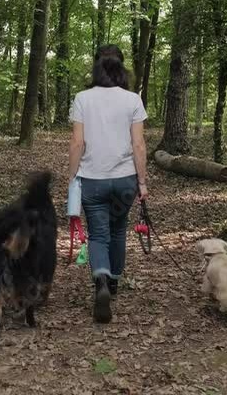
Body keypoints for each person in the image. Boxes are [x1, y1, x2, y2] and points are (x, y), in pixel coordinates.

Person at [68, 44, 149, 323]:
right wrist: (142, 182)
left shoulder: (82, 98)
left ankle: (100, 279)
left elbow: (78, 142)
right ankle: (113, 282)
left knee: (98, 235)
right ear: (121, 67)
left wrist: (72, 176)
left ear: (96, 66)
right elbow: (138, 145)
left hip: (93, 180)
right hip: (124, 179)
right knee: (117, 232)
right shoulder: (132, 100)